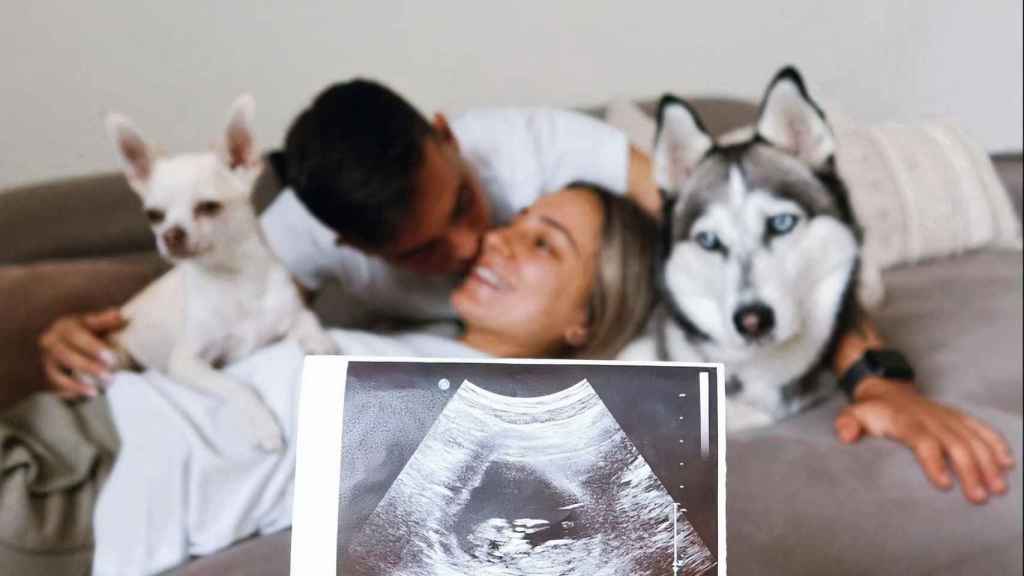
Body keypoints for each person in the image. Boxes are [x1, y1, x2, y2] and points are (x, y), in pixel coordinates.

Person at [38, 80, 1013, 504]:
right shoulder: (296, 242)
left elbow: (724, 235)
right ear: (344, 248)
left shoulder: (551, 153)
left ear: (447, 133)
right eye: (428, 252)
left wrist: (873, 375)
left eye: (470, 204)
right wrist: (100, 335)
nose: (476, 244)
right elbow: (196, 298)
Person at [85, 183, 659, 574]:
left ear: (586, 317)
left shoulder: (501, 427)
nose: (498, 238)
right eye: (516, 220)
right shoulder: (408, 339)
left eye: (543, 243)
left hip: (93, 483)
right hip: (95, 416)